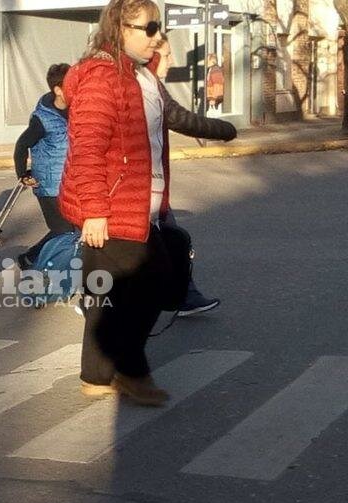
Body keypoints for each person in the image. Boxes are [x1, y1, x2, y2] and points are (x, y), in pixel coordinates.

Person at [59, 0, 185, 406]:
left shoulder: (133, 75)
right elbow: (87, 149)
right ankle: (131, 371)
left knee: (107, 296)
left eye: (158, 27)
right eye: (148, 28)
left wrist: (220, 129)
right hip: (115, 208)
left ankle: (96, 377)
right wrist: (95, 210)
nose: (157, 37)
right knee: (155, 282)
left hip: (131, 205)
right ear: (119, 28)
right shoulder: (102, 78)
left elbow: (168, 119)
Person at [154, 34, 233, 317]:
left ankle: (186, 296)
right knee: (160, 248)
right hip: (132, 195)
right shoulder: (142, 88)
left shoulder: (151, 86)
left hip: (152, 190)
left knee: (173, 243)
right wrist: (221, 130)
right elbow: (180, 118)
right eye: (166, 55)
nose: (171, 60)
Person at [13, 63, 75, 269]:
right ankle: (37, 265)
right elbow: (22, 145)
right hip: (50, 185)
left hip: (72, 183)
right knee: (63, 230)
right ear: (58, 89)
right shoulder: (43, 119)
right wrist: (23, 174)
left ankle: (32, 258)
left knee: (70, 229)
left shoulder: (77, 111)